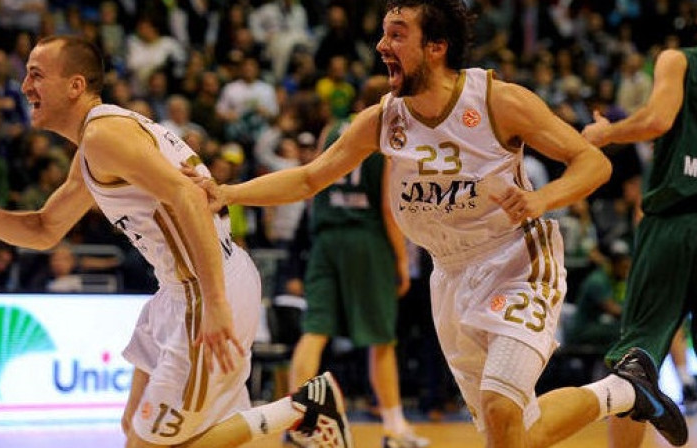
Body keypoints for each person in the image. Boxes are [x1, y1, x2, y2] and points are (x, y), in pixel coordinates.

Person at [184, 1, 686, 447]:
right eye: (384, 32)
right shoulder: (383, 119)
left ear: (437, 47)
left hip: (517, 260)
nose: (382, 44)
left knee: (501, 406)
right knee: (511, 434)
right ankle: (622, 389)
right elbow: (310, 178)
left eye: (398, 33)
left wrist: (540, 199)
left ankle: (621, 389)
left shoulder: (498, 100)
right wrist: (227, 192)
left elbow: (592, 163)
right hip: (448, 274)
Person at [0, 35, 353, 448]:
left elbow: (189, 195)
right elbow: (46, 229)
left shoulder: (105, 136)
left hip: (204, 287)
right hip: (180, 289)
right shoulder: (96, 145)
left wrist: (215, 302)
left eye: (36, 75)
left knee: (151, 445)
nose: (25, 86)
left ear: (76, 85)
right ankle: (303, 409)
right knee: (134, 427)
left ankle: (304, 407)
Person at [285, 75, 427, 448]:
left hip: (327, 238)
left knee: (314, 332)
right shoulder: (387, 137)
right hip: (368, 240)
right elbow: (387, 204)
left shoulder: (333, 129)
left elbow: (311, 185)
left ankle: (300, 424)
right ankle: (395, 429)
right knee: (381, 340)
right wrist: (401, 260)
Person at [582, 46, 697, 448]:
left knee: (636, 358)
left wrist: (607, 132)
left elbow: (657, 119)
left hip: (678, 219)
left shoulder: (679, 60)